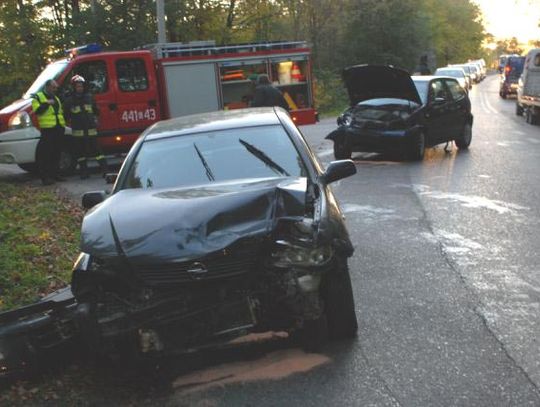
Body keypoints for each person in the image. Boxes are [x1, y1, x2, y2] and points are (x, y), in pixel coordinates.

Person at [63, 75, 107, 179]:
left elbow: (96, 111)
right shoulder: (69, 101)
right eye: (78, 86)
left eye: (81, 86)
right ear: (73, 87)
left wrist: (95, 119)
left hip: (91, 130)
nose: (80, 88)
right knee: (80, 153)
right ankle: (84, 172)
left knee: (98, 151)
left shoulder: (89, 97)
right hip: (78, 132)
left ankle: (105, 170)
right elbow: (65, 116)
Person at [31, 79, 66, 185]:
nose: (55, 89)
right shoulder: (38, 97)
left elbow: (60, 112)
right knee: (45, 154)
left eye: (56, 87)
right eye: (53, 87)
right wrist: (46, 103)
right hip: (47, 129)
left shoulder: (56, 98)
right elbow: (37, 111)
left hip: (58, 128)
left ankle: (55, 175)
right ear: (47, 87)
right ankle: (45, 177)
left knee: (56, 152)